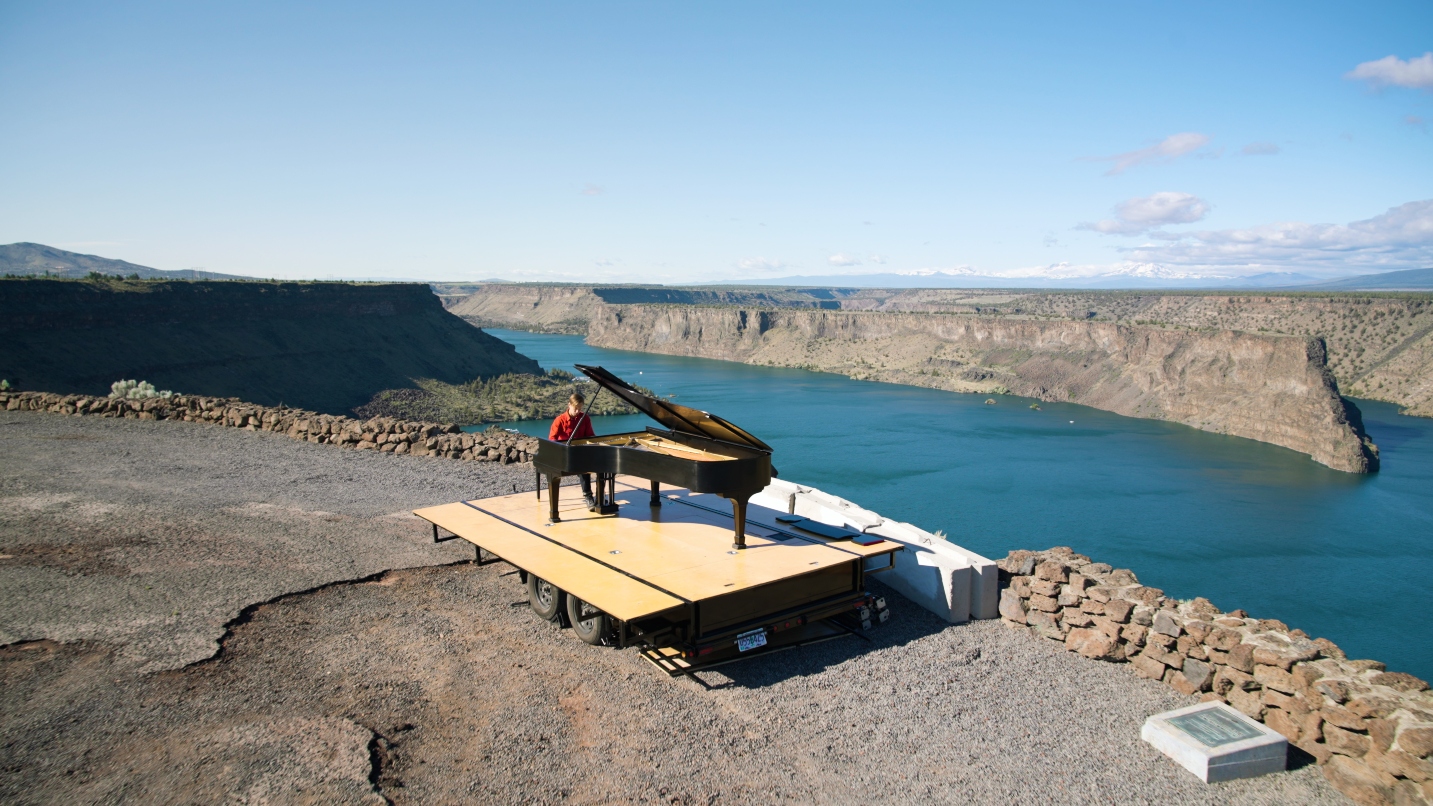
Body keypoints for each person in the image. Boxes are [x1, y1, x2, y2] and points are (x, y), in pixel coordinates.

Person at [549, 391, 597, 507]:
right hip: (565, 454)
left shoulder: (584, 418)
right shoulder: (559, 420)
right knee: (583, 467)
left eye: (580, 408)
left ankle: (600, 496)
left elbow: (590, 436)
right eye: (576, 408)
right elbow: (552, 439)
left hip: (580, 452)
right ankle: (588, 496)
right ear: (569, 405)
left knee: (601, 465)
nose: (578, 411)